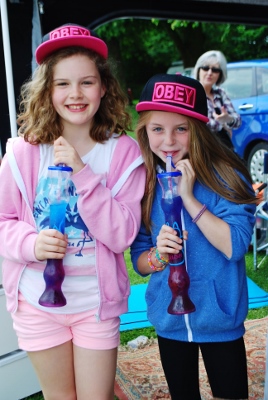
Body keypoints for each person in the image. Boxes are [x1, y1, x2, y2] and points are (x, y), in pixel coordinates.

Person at [0, 23, 146, 400]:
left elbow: (122, 234)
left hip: (95, 306)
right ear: (47, 90)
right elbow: (3, 223)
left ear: (104, 87)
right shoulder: (22, 153)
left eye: (87, 82)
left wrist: (83, 173)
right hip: (37, 304)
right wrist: (32, 245)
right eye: (62, 84)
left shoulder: (124, 154)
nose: (75, 94)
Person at [130, 73, 258, 400]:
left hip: (220, 319)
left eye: (181, 129)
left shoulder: (227, 176)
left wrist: (189, 198)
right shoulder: (142, 183)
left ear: (198, 130)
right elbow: (140, 261)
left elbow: (235, 245)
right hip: (169, 319)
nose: (168, 140)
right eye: (157, 129)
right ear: (144, 130)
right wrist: (157, 254)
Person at [194, 50, 241, 149]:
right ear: (199, 70)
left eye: (215, 70)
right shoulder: (193, 93)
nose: (210, 73)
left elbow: (238, 121)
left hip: (224, 148)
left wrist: (228, 119)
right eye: (205, 68)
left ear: (220, 74)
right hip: (203, 147)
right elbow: (196, 123)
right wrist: (221, 125)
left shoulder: (220, 93)